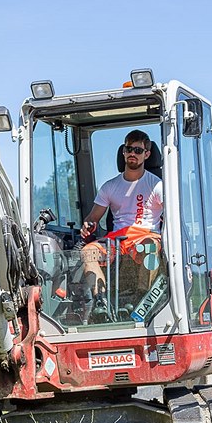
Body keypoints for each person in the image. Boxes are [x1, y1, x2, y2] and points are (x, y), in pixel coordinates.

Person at [76, 130, 163, 317]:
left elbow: (172, 214)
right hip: (118, 241)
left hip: (146, 236)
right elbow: (93, 218)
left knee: (149, 247)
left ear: (147, 154)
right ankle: (101, 302)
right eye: (128, 149)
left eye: (138, 150)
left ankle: (141, 301)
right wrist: (88, 225)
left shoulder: (157, 185)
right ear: (123, 152)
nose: (132, 153)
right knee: (88, 252)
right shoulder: (110, 187)